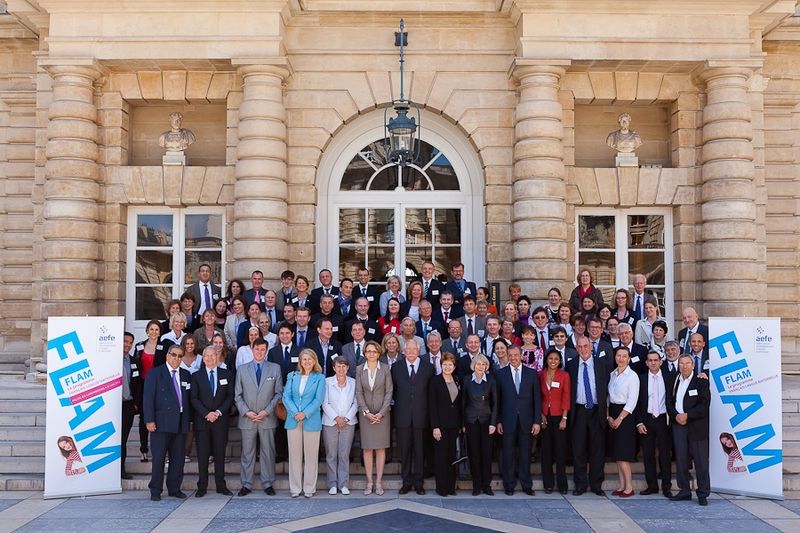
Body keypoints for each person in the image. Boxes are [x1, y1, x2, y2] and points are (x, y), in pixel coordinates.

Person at [235, 338, 283, 496]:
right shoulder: (242, 369)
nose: (260, 352)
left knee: (268, 451)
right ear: (252, 350)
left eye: (263, 349)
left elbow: (278, 394)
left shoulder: (275, 369)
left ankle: (268, 482)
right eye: (257, 349)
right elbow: (237, 395)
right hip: (247, 418)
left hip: (267, 417)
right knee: (247, 452)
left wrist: (266, 411)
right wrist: (247, 412)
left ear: (267, 350)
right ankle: (246, 484)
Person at [143, 344, 191, 501]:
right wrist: (149, 420)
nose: (177, 358)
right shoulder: (156, 373)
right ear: (167, 356)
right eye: (174, 355)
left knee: (178, 459)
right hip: (160, 424)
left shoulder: (186, 375)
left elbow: (188, 399)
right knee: (159, 459)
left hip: (180, 423)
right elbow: (148, 398)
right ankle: (155, 490)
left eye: (180, 356)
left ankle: (174, 488)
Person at [567, 336, 610, 496]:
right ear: (576, 348)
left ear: (591, 347)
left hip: (596, 411)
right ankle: (580, 484)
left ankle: (596, 484)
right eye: (580, 346)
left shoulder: (602, 364)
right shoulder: (571, 365)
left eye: (586, 346)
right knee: (578, 449)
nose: (583, 349)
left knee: (597, 450)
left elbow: (607, 389)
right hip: (578, 411)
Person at [496, 345, 541, 496]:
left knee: (525, 454)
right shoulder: (500, 374)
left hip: (526, 421)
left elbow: (536, 399)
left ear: (521, 355)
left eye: (516, 355)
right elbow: (498, 400)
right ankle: (509, 485)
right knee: (508, 454)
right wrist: (498, 421)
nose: (513, 358)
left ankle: (526, 484)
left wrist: (536, 421)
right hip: (507, 421)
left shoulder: (532, 374)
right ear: (507, 356)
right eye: (511, 355)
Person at [391, 340, 434, 495]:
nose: (410, 352)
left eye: (413, 349)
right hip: (402, 417)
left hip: (422, 417)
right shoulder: (396, 368)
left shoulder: (428, 367)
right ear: (404, 351)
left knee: (420, 452)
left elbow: (431, 394)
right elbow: (393, 391)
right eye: (408, 349)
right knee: (405, 452)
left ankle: (419, 483)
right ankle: (406, 482)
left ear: (418, 350)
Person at [190, 346, 233, 497]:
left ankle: (221, 485)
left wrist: (218, 412)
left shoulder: (226, 374)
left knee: (220, 454)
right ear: (203, 358)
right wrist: (207, 413)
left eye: (213, 355)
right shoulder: (196, 376)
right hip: (203, 421)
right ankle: (202, 486)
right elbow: (193, 398)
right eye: (206, 356)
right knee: (202, 455)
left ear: (218, 356)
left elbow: (230, 396)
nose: (209, 358)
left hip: (220, 421)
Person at [669, 354, 711, 506]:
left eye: (687, 363)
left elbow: (704, 405)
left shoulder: (701, 381)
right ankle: (685, 490)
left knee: (701, 462)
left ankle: (703, 493)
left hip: (696, 427)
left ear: (693, 365)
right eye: (681, 363)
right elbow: (669, 401)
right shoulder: (674, 380)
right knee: (681, 460)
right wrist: (676, 416)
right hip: (678, 426)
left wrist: (687, 415)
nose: (684, 366)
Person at [284, 348, 326, 498]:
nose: (307, 362)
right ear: (300, 361)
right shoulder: (292, 376)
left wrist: (305, 413)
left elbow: (318, 399)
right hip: (293, 419)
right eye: (304, 359)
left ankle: (309, 488)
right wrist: (296, 412)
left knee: (311, 456)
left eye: (310, 359)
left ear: (314, 361)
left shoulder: (320, 378)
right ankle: (295, 488)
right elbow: (286, 397)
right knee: (294, 456)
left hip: (311, 419)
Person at [356, 340, 393, 496]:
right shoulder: (359, 369)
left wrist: (381, 412)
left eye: (374, 351)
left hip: (382, 415)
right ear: (364, 353)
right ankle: (369, 482)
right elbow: (358, 392)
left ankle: (378, 482)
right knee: (367, 448)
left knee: (380, 448)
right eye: (368, 351)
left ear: (379, 353)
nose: (371, 354)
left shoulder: (385, 368)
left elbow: (389, 391)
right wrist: (366, 412)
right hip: (366, 416)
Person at [636, 351, 673, 497]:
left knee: (665, 454)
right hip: (647, 419)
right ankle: (652, 486)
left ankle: (666, 487)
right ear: (646, 363)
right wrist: (639, 422)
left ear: (660, 362)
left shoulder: (669, 378)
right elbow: (637, 403)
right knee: (648, 454)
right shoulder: (641, 379)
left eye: (656, 360)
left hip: (664, 419)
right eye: (650, 360)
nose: (653, 363)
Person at [462, 353, 498, 496]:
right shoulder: (466, 381)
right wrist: (462, 423)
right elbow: (463, 403)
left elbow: (495, 403)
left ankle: (486, 485)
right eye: (478, 364)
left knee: (487, 454)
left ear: (486, 366)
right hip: (471, 422)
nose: (481, 366)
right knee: (474, 454)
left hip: (486, 422)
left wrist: (493, 423)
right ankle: (476, 485)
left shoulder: (491, 380)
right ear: (474, 366)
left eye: (483, 364)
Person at [607, 346, 640, 498]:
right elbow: (608, 397)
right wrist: (609, 416)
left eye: (624, 356)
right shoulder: (612, 374)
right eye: (618, 355)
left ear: (629, 358)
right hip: (613, 413)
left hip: (625, 416)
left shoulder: (632, 376)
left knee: (624, 454)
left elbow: (632, 401)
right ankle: (621, 485)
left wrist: (620, 418)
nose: (621, 358)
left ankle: (629, 487)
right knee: (617, 454)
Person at [322, 357, 358, 495]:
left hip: (348, 423)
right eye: (338, 366)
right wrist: (337, 418)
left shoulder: (353, 383)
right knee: (331, 454)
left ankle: (343, 484)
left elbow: (356, 403)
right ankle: (332, 484)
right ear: (333, 368)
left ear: (348, 368)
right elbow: (325, 403)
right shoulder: (327, 382)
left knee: (343, 454)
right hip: (330, 422)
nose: (341, 369)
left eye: (344, 366)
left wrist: (346, 418)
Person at [134, 320, 169, 461]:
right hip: (143, 386)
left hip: (159, 386)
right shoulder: (139, 346)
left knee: (160, 417)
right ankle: (143, 449)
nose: (154, 332)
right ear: (147, 331)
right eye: (151, 329)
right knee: (144, 417)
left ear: (160, 332)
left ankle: (161, 450)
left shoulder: (165, 346)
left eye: (157, 330)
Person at [428, 351, 461, 496]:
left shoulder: (457, 380)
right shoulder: (435, 381)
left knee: (452, 456)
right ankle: (441, 488)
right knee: (441, 456)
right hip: (440, 426)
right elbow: (432, 405)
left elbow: (459, 404)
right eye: (445, 364)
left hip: (454, 425)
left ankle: (450, 487)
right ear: (441, 365)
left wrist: (461, 424)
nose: (447, 367)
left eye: (450, 365)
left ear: (454, 367)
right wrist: (435, 427)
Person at [540, 348, 571, 494]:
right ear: (546, 360)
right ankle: (548, 484)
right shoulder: (541, 375)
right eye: (551, 358)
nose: (553, 361)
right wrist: (541, 415)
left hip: (559, 417)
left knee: (560, 451)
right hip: (545, 417)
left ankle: (562, 485)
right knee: (546, 452)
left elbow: (566, 397)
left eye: (556, 359)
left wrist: (564, 418)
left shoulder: (564, 375)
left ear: (560, 361)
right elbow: (538, 397)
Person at [121, 332, 138, 480]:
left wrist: (136, 404)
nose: (127, 344)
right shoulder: (109, 359)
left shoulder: (133, 361)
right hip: (112, 405)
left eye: (130, 342)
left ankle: (121, 470)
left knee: (123, 439)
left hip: (127, 405)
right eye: (125, 341)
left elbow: (136, 383)